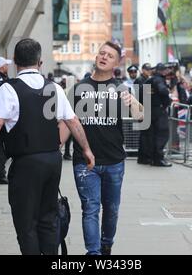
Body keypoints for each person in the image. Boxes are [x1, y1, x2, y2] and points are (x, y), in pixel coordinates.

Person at [0, 38, 95, 255]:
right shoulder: (54, 87)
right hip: (52, 161)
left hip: (25, 163)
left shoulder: (8, 89)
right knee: (48, 218)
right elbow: (73, 122)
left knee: (26, 223)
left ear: (15, 62)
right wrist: (87, 149)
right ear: (40, 62)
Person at [71, 41, 144, 255]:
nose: (104, 57)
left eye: (109, 56)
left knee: (111, 211)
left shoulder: (121, 88)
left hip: (114, 161)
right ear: (96, 57)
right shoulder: (78, 88)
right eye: (101, 53)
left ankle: (106, 245)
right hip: (85, 163)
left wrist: (131, 101)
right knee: (90, 209)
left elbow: (140, 116)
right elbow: (68, 122)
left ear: (116, 62)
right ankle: (93, 254)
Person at [139, 63, 172, 167]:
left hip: (149, 110)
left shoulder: (149, 80)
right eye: (165, 70)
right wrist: (167, 102)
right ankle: (158, 159)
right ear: (162, 71)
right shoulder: (158, 80)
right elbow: (163, 91)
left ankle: (148, 158)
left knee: (150, 135)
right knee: (161, 135)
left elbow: (140, 93)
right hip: (158, 110)